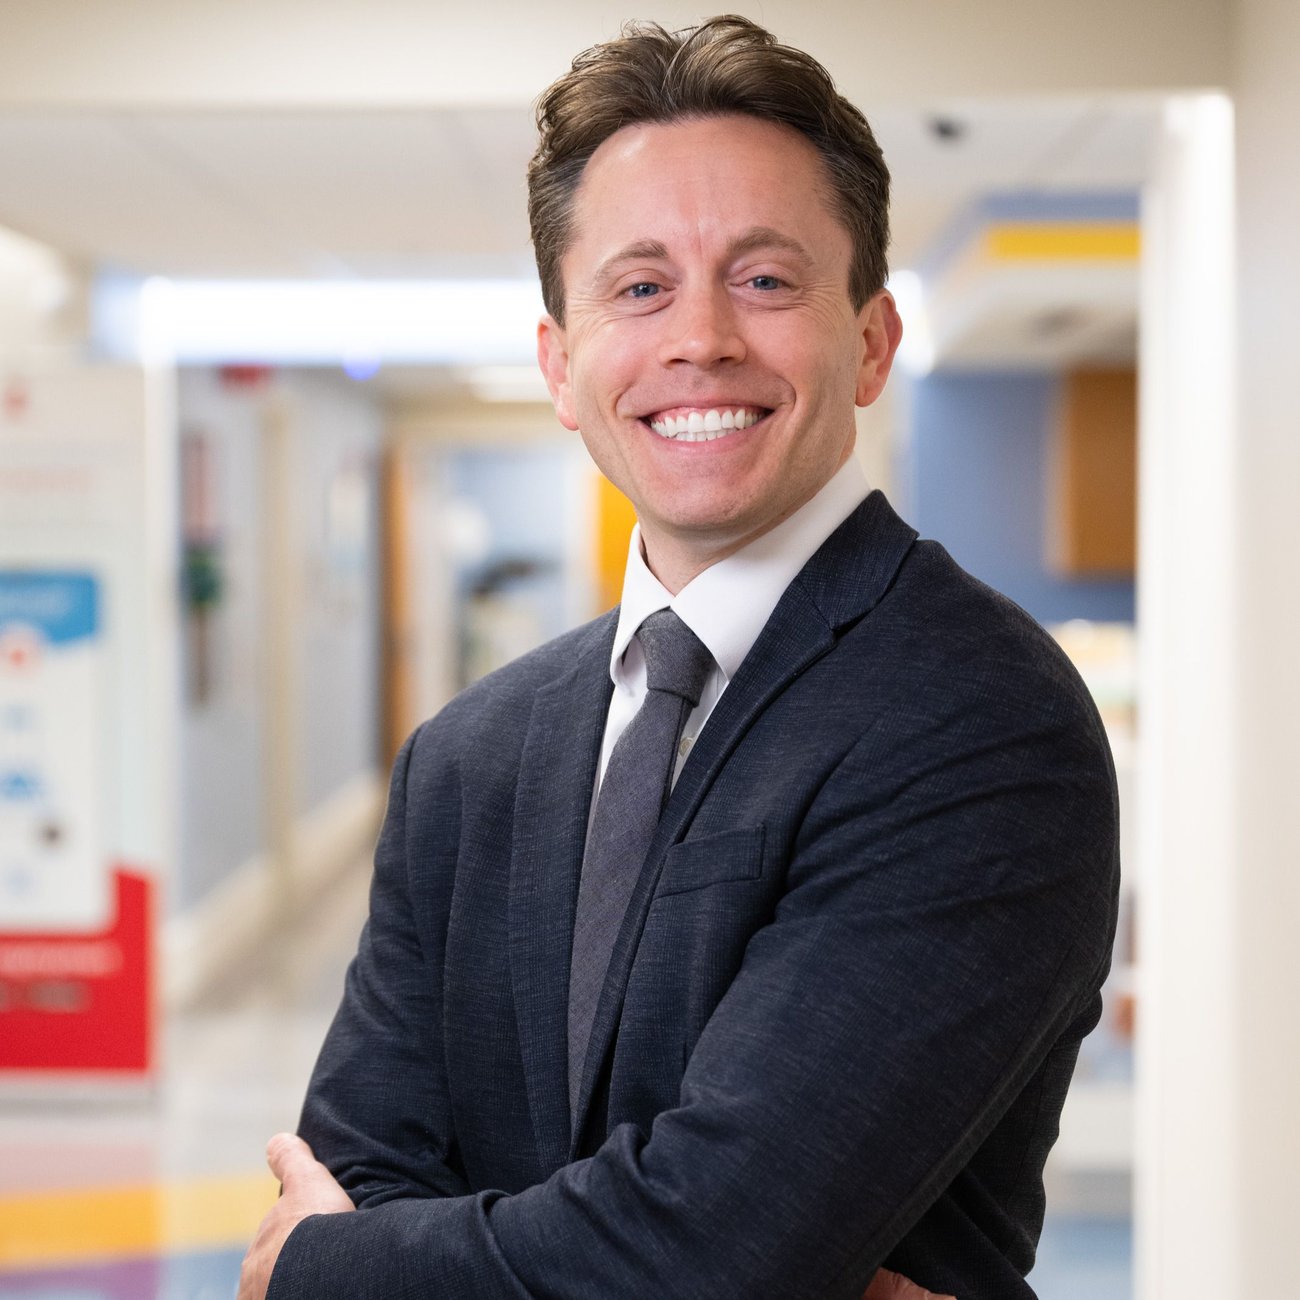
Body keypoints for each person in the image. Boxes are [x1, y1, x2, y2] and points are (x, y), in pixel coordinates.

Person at [239, 16, 1119, 1300]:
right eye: (639, 287)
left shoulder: (979, 719)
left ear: (870, 342)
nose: (699, 337)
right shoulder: (470, 756)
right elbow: (368, 1162)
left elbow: (715, 1251)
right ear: (562, 364)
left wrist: (332, 1269)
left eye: (764, 279)